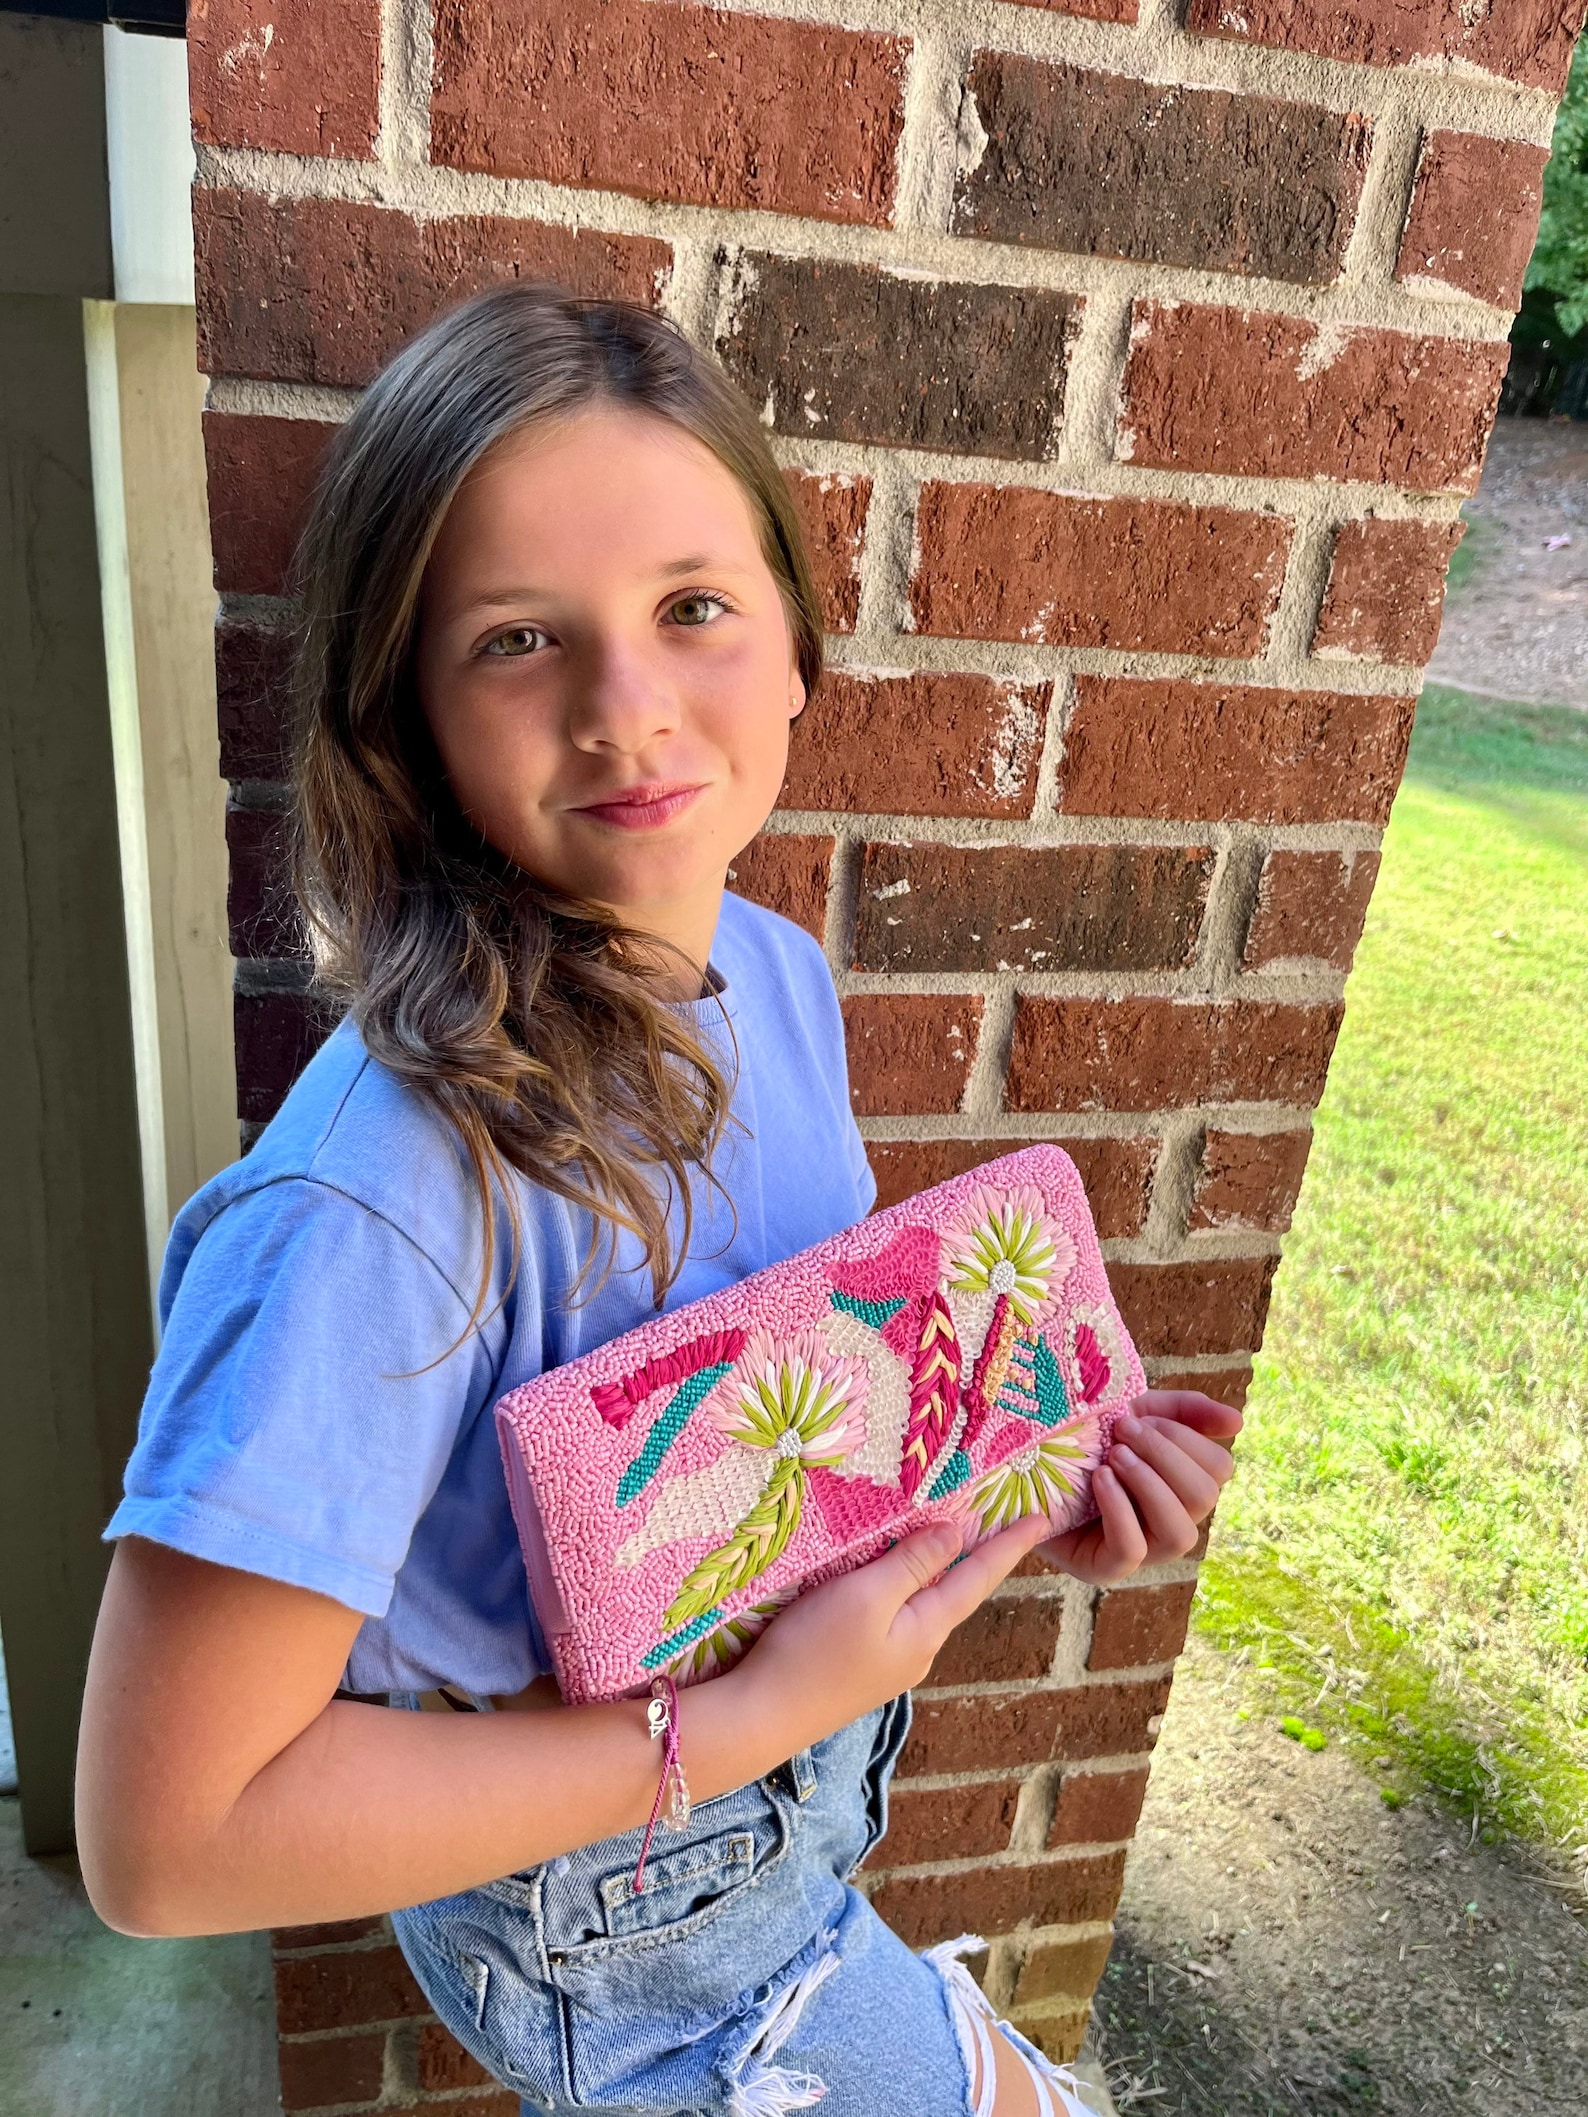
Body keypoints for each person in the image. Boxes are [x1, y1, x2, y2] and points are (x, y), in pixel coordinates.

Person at [76, 286, 1242, 2117]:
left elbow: (760, 1439)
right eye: (521, 639)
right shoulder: (383, 1202)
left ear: (794, 643)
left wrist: (1007, 1487)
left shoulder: (771, 977)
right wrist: (756, 1720)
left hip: (777, 1842)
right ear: (405, 721)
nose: (628, 712)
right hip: (634, 1964)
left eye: (693, 605)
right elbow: (168, 1841)